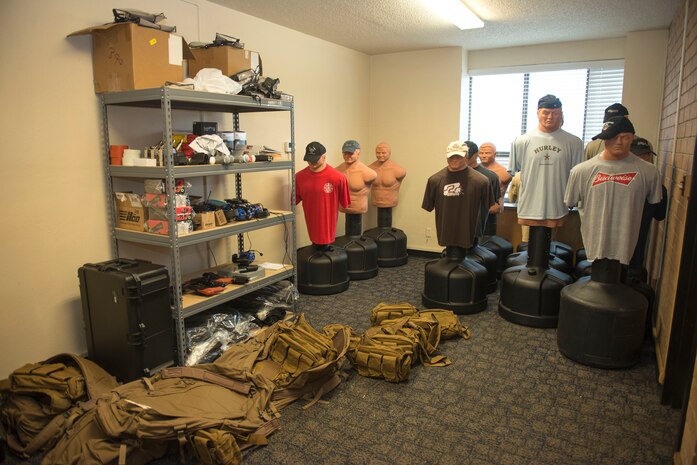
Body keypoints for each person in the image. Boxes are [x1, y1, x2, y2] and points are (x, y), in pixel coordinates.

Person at [564, 117, 662, 265]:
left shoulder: (649, 171)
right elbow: (570, 201)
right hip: (594, 245)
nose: (619, 142)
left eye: (624, 137)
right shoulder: (580, 171)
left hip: (628, 247)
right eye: (613, 137)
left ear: (632, 138)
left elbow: (654, 201)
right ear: (604, 139)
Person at [509, 94, 583, 228]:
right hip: (529, 207)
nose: (550, 117)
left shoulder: (574, 142)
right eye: (546, 113)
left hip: (558, 207)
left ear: (561, 114)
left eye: (555, 113)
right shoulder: (521, 141)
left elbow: (577, 177)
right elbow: (514, 172)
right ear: (538, 113)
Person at [422, 141, 494, 249]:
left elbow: (488, 205)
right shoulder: (434, 180)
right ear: (446, 157)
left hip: (469, 234)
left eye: (458, 156)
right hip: (445, 233)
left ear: (466, 157)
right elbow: (428, 206)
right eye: (451, 156)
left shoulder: (481, 181)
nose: (454, 159)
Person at [295, 141, 350, 246]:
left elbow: (345, 203)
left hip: (329, 228)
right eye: (309, 159)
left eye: (315, 159)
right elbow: (294, 200)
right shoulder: (299, 177)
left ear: (324, 157)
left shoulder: (338, 177)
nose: (311, 162)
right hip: (311, 226)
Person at [628, 136, 667, 278]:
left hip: (635, 256)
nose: (645, 159)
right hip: (616, 252)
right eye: (640, 156)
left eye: (647, 155)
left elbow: (660, 215)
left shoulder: (658, 188)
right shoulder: (618, 183)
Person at [465, 141, 501, 237]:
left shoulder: (490, 176)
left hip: (484, 228)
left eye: (468, 155)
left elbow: (497, 207)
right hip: (461, 226)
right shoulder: (455, 175)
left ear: (475, 155)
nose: (464, 158)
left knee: (479, 250)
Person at [335, 140, 377, 214]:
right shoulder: (336, 171)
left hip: (359, 207)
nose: (347, 156)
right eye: (345, 154)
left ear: (358, 153)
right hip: (343, 207)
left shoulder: (368, 173)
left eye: (350, 153)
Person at [368, 142, 407, 208]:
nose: (380, 155)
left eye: (383, 153)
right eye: (378, 153)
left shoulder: (398, 170)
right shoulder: (369, 169)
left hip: (390, 202)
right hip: (375, 201)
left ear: (389, 153)